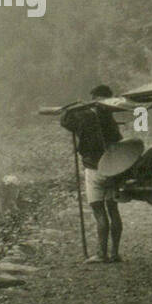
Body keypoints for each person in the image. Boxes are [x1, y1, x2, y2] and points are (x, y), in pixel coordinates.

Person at [59, 83, 124, 265]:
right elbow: (118, 141)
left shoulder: (83, 115)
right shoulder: (109, 117)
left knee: (99, 212)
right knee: (113, 210)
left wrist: (75, 106)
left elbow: (64, 120)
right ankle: (115, 253)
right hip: (111, 168)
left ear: (94, 98)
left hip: (93, 169)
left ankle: (101, 254)